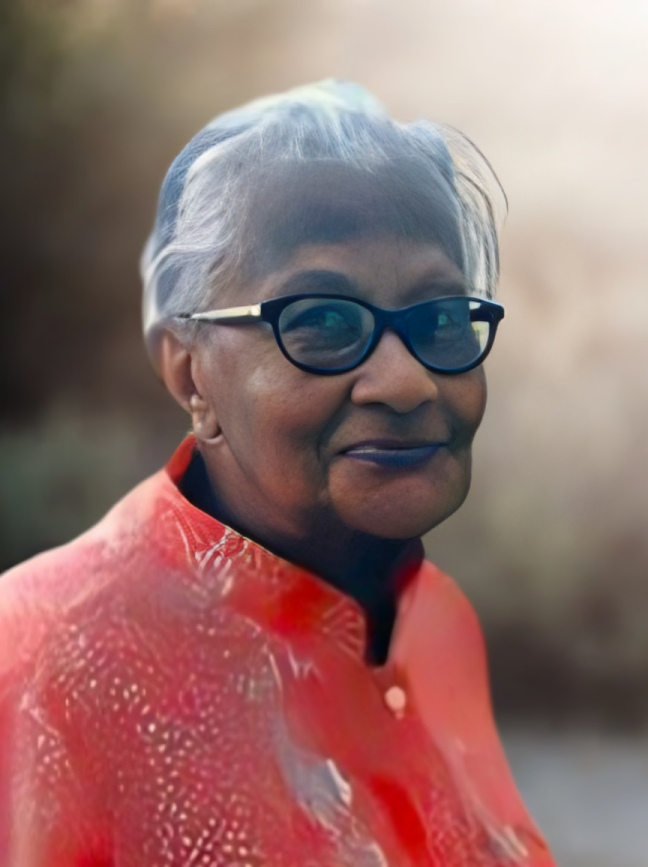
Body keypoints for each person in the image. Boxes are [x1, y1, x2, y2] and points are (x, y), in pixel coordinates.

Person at [0, 81, 556, 866]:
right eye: (323, 320)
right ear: (192, 376)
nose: (407, 382)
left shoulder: (435, 620)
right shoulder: (41, 658)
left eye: (438, 318)